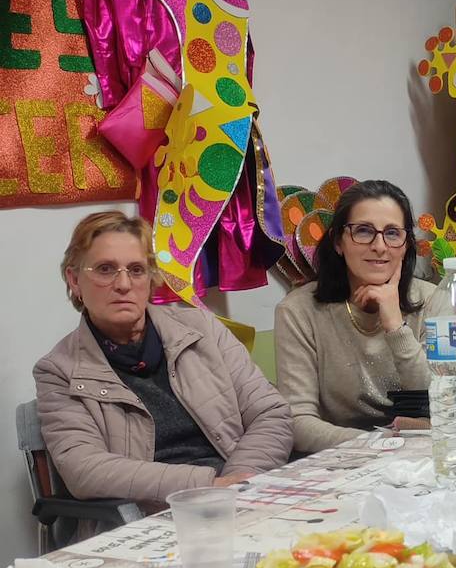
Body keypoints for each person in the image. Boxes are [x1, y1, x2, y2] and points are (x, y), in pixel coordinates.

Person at [34, 212, 291, 511]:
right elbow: (85, 469)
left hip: (241, 492)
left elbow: (270, 412)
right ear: (74, 280)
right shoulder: (58, 370)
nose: (123, 284)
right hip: (152, 515)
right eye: (105, 269)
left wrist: (239, 482)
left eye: (136, 269)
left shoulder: (200, 328)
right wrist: (208, 486)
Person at [275, 179, 436, 453]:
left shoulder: (432, 300)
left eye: (393, 233)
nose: (380, 246)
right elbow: (298, 422)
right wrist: (378, 444)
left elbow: (441, 400)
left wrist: (395, 325)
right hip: (342, 458)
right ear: (339, 241)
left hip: (425, 454)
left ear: (406, 244)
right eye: (363, 231)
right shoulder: (297, 311)